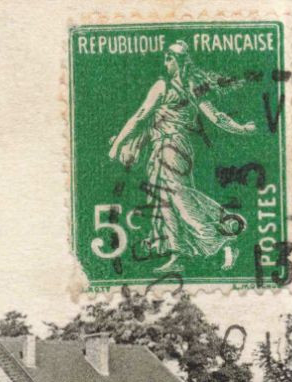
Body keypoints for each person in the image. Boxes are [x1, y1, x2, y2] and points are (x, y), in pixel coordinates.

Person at [107, 40, 258, 273]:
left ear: (179, 61)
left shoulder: (171, 86)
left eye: (170, 58)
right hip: (164, 147)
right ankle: (177, 254)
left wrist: (116, 145)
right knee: (164, 201)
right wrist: (242, 128)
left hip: (173, 147)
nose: (165, 61)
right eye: (165, 57)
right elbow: (146, 120)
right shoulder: (184, 85)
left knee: (180, 198)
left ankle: (223, 241)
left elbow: (141, 116)